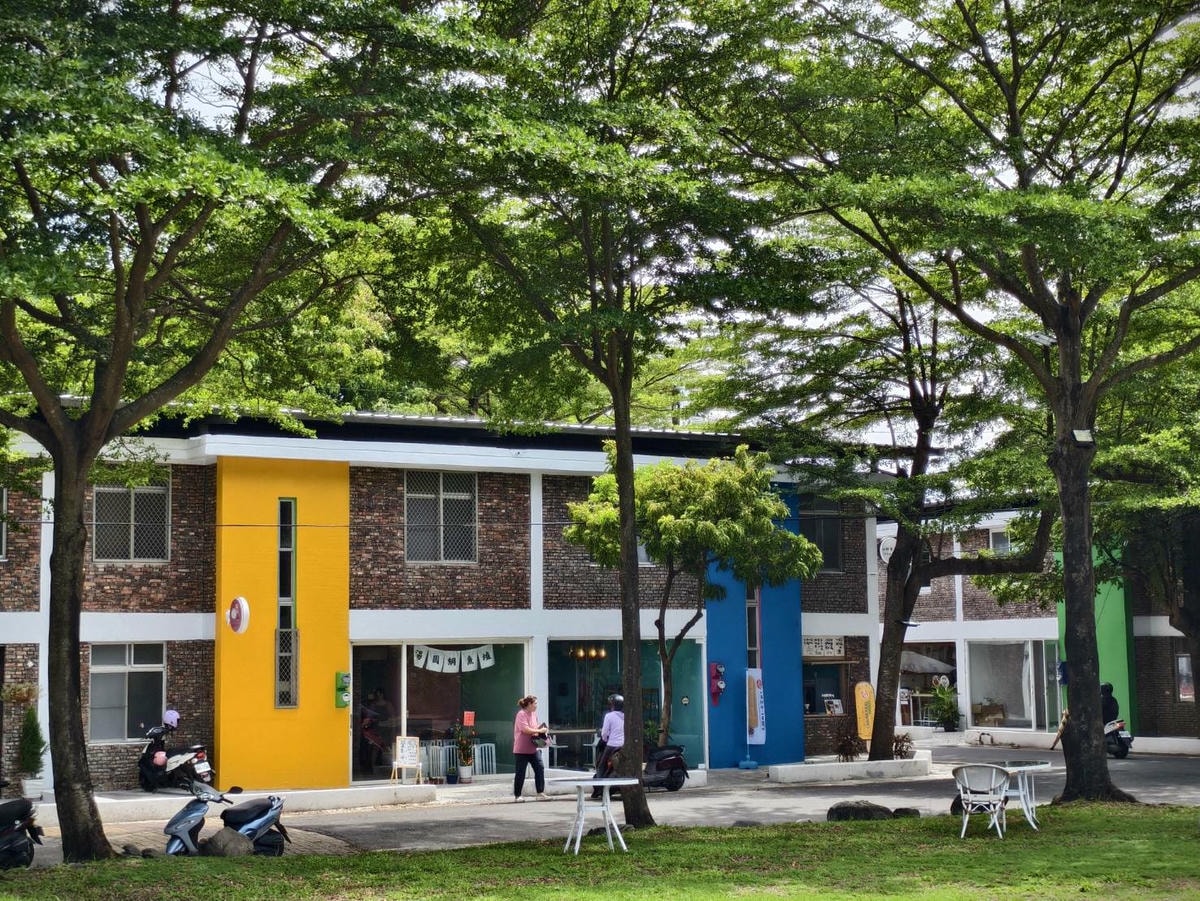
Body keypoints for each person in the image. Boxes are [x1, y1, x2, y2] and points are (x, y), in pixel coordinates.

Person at [512, 694, 548, 801]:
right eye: (535, 703)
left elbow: (534, 727)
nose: (536, 705)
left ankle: (540, 792)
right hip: (521, 749)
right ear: (529, 704)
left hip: (533, 748)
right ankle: (517, 795)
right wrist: (539, 731)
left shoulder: (534, 714)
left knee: (540, 768)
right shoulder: (521, 714)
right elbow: (525, 729)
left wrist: (542, 729)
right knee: (520, 772)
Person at [591, 693, 624, 799]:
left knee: (601, 766)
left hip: (612, 745)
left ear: (612, 705)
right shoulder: (625, 716)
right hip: (623, 745)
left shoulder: (609, 716)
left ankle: (600, 788)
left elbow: (604, 733)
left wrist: (604, 739)